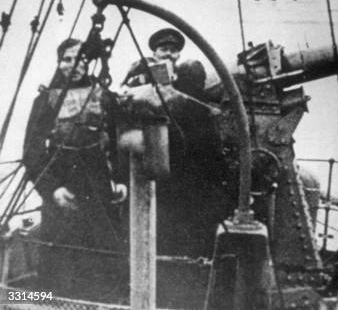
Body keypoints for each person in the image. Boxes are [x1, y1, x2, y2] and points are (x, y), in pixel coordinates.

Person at [22, 38, 127, 298]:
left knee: (103, 245)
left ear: (88, 62)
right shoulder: (46, 100)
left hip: (98, 177)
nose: (74, 64)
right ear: (60, 63)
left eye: (80, 58)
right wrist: (51, 189)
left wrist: (121, 179)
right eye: (67, 59)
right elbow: (32, 151)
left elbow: (118, 142)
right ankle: (55, 300)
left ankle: (104, 301)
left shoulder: (104, 96)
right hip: (62, 177)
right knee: (59, 251)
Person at [122, 29, 232, 257]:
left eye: (173, 51)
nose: (169, 55)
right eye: (164, 50)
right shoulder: (139, 74)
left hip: (185, 163)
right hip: (156, 160)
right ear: (154, 52)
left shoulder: (188, 82)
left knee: (188, 220)